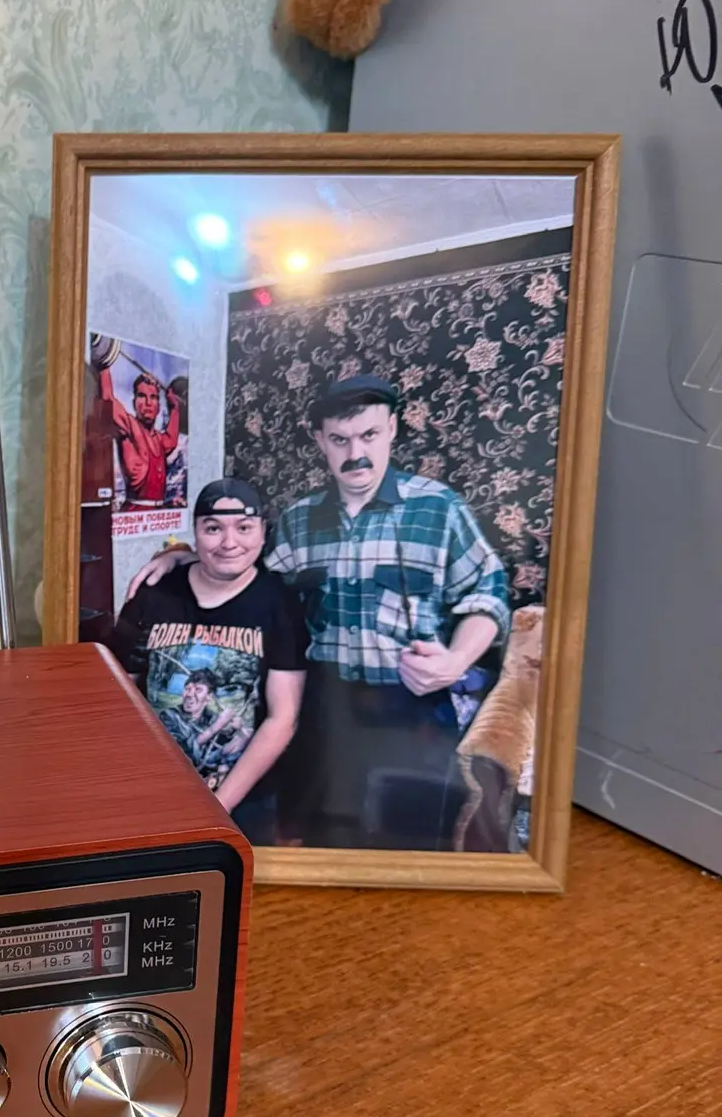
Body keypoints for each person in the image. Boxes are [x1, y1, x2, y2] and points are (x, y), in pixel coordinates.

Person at [128, 375, 511, 850]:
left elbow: (489, 592)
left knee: (411, 841)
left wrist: (456, 660)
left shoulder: (439, 509)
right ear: (320, 442)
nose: (356, 452)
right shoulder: (299, 521)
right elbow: (242, 566)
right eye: (340, 439)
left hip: (412, 706)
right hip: (326, 707)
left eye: (369, 435)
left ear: (392, 428)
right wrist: (181, 555)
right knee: (328, 837)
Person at [108, 477, 309, 846]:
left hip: (243, 803)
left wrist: (216, 808)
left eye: (244, 528)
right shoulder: (154, 593)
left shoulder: (280, 603)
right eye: (213, 528)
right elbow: (118, 701)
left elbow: (283, 718)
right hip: (152, 796)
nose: (229, 542)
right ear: (196, 532)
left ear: (263, 531)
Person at [91, 336, 184, 506]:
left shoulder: (158, 439)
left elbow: (171, 441)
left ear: (159, 405)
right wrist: (104, 363)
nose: (148, 403)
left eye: (153, 397)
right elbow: (108, 399)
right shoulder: (129, 427)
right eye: (142, 396)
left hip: (157, 514)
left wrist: (175, 409)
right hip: (133, 512)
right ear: (134, 402)